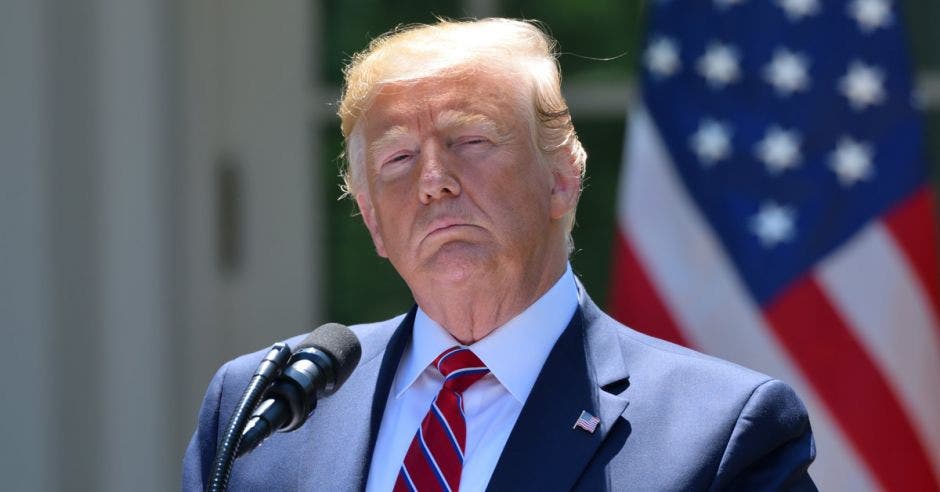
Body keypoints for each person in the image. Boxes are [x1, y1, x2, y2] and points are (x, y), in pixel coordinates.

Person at [183, 18, 816, 491]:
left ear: (562, 177)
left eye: (472, 139)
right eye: (398, 159)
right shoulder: (260, 412)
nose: (434, 179)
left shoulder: (723, 432)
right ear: (374, 221)